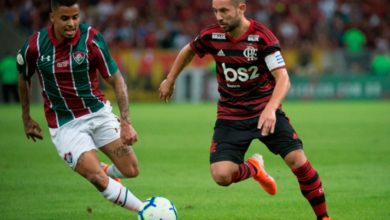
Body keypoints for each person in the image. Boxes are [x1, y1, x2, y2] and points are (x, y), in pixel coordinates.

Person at [159, 0, 331, 219]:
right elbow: (188, 50)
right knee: (221, 176)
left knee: (298, 160)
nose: (219, 16)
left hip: (264, 112)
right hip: (231, 116)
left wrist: (270, 108)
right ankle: (254, 168)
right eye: (215, 11)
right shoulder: (211, 35)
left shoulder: (262, 37)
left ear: (241, 8)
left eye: (224, 11)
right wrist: (170, 79)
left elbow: (283, 78)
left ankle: (324, 217)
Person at [17, 0, 144, 214]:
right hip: (66, 125)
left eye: (75, 17)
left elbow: (117, 79)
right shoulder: (35, 46)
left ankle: (102, 168)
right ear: (52, 18)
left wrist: (126, 122)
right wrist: (26, 118)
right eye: (65, 18)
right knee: (97, 178)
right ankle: (146, 211)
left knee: (131, 170)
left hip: (98, 113)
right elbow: (24, 77)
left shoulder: (91, 39)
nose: (71, 23)